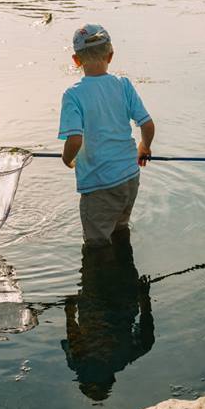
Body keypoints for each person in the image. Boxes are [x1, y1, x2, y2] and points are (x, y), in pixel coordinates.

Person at [58, 24, 155, 245]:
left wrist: (66, 159)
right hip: (130, 178)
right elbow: (147, 124)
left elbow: (74, 139)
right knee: (120, 228)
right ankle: (123, 268)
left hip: (100, 184)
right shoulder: (123, 85)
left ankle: (102, 275)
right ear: (110, 55)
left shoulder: (73, 95)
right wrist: (145, 147)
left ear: (76, 60)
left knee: (96, 243)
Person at [61, 228, 154, 402]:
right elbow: (72, 338)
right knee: (96, 248)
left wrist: (143, 298)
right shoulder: (80, 363)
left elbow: (147, 341)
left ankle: (118, 224)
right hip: (96, 298)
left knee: (119, 241)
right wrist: (69, 311)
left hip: (123, 296)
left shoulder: (121, 358)